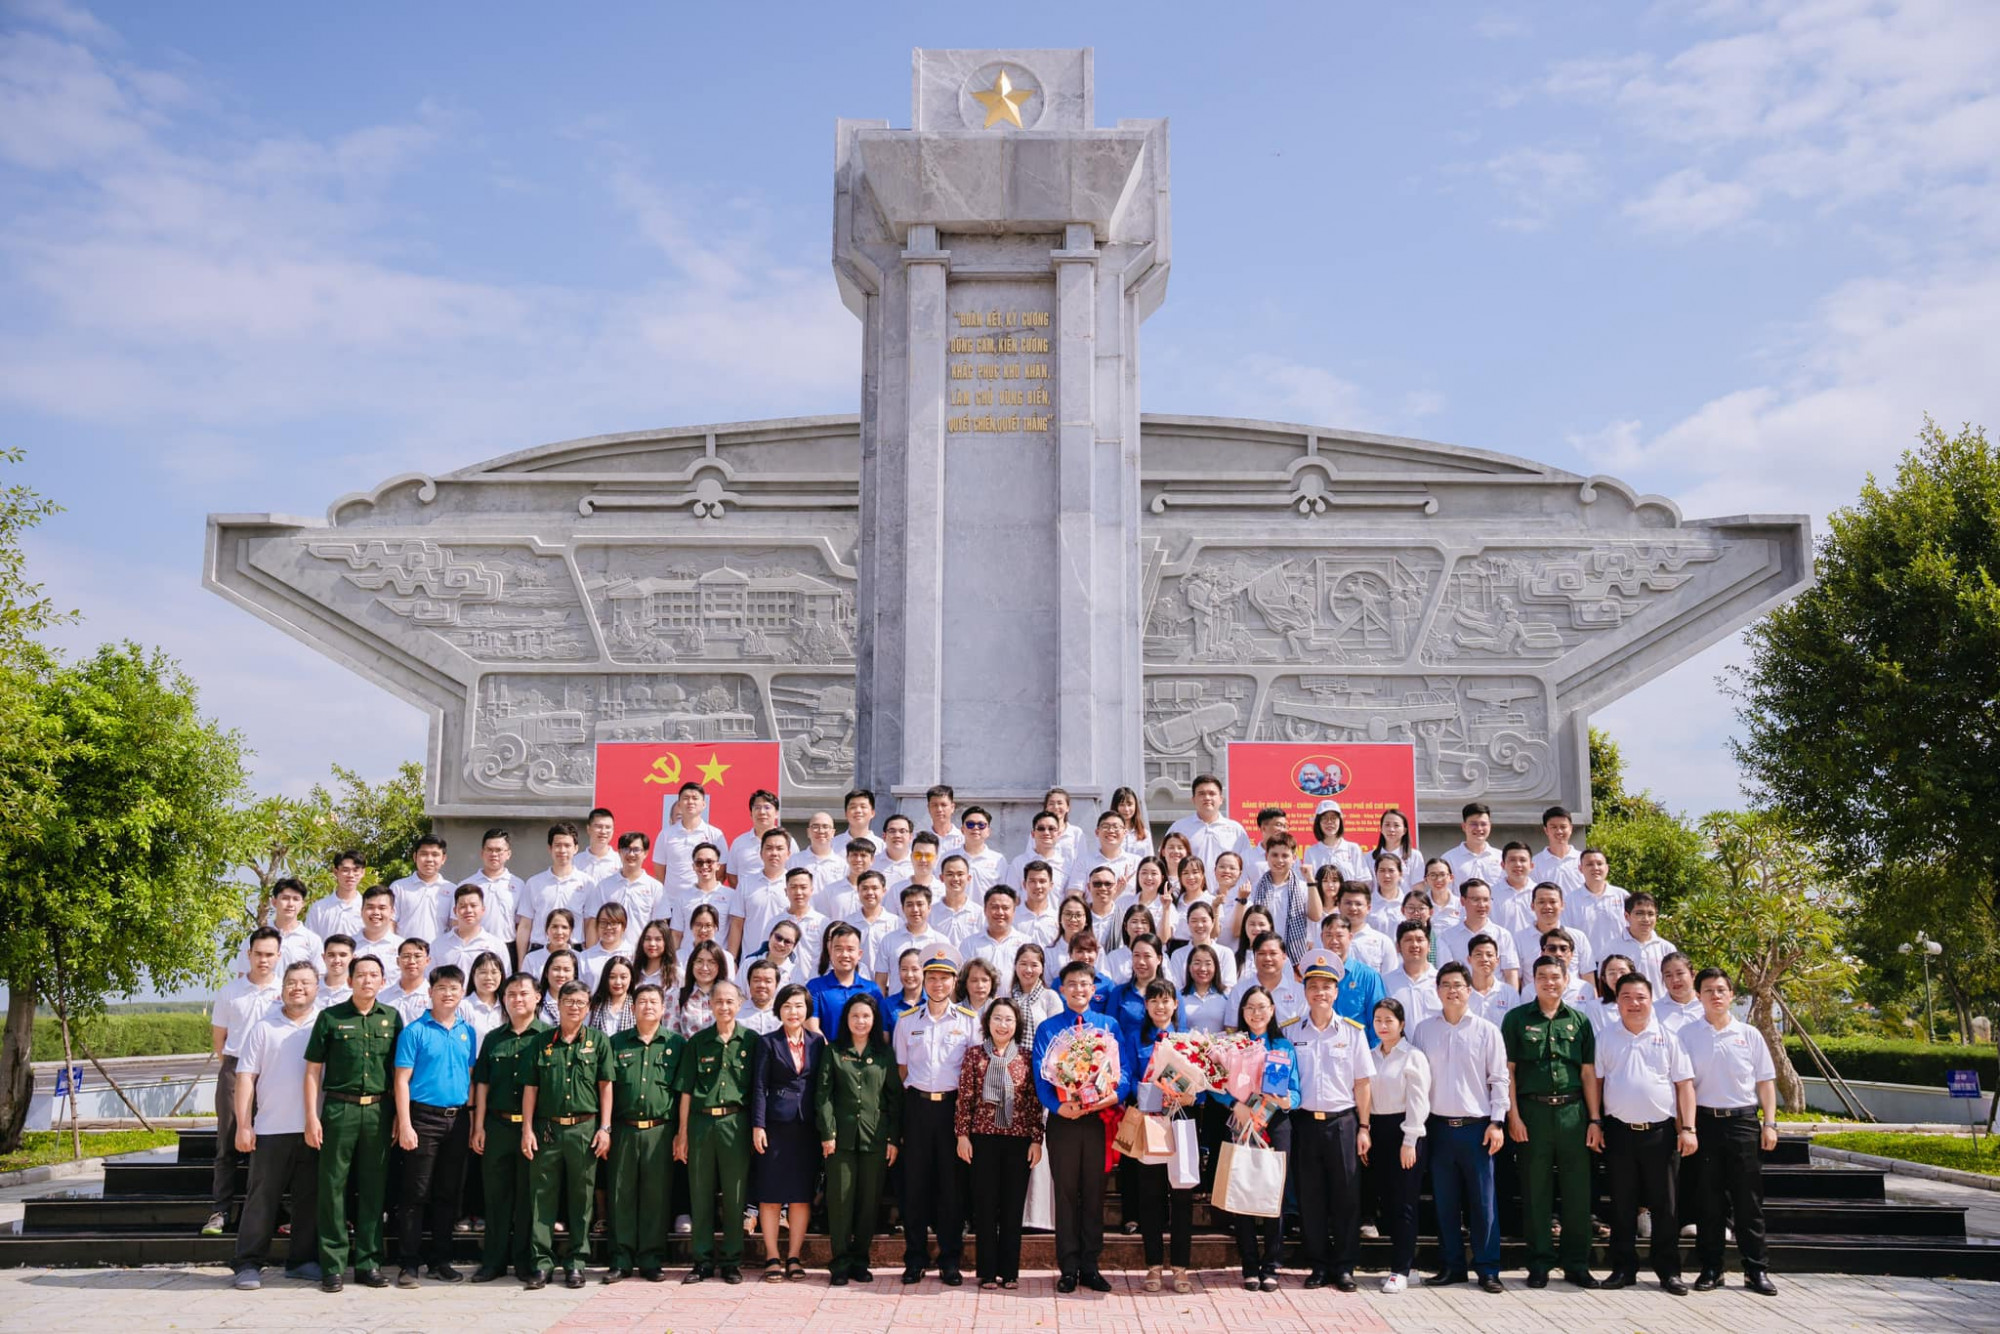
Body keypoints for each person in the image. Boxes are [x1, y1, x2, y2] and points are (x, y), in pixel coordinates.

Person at [1502, 953, 1603, 1290]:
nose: (1549, 982)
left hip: (1573, 1113)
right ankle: (1540, 1263)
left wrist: (1594, 1119)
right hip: (1533, 1113)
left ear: (1566, 980)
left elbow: (1588, 1074)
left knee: (1578, 1192)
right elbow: (1509, 1073)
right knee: (1536, 1191)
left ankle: (1577, 1264)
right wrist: (1513, 1116)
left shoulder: (1580, 1021)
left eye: (1555, 977)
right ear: (1532, 980)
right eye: (1542, 976)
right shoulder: (1516, 1019)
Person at [303, 953, 402, 1292]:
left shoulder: (392, 1018)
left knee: (374, 1188)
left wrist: (397, 1118)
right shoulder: (330, 1018)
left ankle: (368, 1262)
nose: (366, 980)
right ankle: (333, 1264)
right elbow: (313, 1071)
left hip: (378, 1110)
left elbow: (397, 1073)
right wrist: (311, 1117)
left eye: (373, 975)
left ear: (383, 981)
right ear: (349, 980)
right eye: (360, 975)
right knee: (332, 1188)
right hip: (338, 1110)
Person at [1594, 971, 1696, 1295]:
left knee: (1664, 1206)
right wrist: (1595, 1122)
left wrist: (1689, 1128)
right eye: (1626, 997)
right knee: (1622, 1204)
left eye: (1640, 997)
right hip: (1619, 1132)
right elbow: (1596, 1082)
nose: (1634, 1003)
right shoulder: (1606, 1037)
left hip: (1660, 1133)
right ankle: (1623, 1269)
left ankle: (1668, 1271)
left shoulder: (1668, 1037)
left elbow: (1684, 1086)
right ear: (1617, 1001)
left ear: (1651, 1000)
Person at [1032, 960, 1129, 1293]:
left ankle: (1091, 1265)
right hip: (1065, 1122)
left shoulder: (1108, 1025)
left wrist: (1107, 1099)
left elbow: (1124, 1074)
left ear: (1094, 989)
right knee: (1066, 1194)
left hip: (1099, 1121)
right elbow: (1041, 1077)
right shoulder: (1049, 1029)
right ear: (1062, 989)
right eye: (1071, 984)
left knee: (1094, 1194)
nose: (1078, 990)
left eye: (1084, 984)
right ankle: (1068, 1267)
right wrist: (1060, 1107)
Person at [1412, 960, 1509, 1294]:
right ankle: (1452, 1266)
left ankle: (1487, 1268)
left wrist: (1498, 1122)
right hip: (1438, 1127)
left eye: (1458, 985)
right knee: (1445, 1201)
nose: (1452, 990)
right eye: (1446, 985)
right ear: (1437, 990)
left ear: (1469, 990)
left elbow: (1499, 1079)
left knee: (1483, 1203)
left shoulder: (1486, 1030)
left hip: (1477, 1128)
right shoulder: (1424, 1030)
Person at [1682, 967, 1780, 1296]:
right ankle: (1712, 1268)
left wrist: (1769, 1123)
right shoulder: (1687, 1034)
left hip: (1742, 1123)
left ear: (1731, 995)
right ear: (1699, 996)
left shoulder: (1749, 1035)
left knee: (1748, 1201)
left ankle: (1756, 1270)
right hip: (1705, 1123)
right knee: (1708, 1202)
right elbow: (1683, 1086)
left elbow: (1765, 1082)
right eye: (1708, 990)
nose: (1715, 995)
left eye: (1721, 990)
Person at [229, 959, 321, 1289]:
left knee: (308, 1200)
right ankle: (248, 1262)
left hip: (313, 1129)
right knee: (261, 1199)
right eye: (292, 982)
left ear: (316, 988)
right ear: (282, 989)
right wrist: (244, 1124)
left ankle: (302, 1260)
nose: (298, 987)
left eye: (305, 983)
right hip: (270, 1129)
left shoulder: (323, 1026)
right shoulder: (263, 1028)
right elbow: (245, 1078)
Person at [1287, 950, 1375, 1291]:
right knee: (1311, 1198)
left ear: (1336, 992)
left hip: (1343, 1123)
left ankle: (1345, 1266)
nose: (1320, 992)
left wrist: (1364, 1127)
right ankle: (1318, 1265)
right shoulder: (1293, 1032)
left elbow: (1362, 1083)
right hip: (1305, 1124)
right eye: (1314, 986)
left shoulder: (1352, 1032)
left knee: (1346, 1197)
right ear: (1305, 991)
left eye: (1327, 986)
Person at [892, 951, 979, 1285]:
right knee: (915, 1186)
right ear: (923, 981)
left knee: (951, 1188)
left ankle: (949, 1258)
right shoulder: (907, 1021)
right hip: (917, 1108)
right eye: (932, 978)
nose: (938, 983)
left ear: (954, 982)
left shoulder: (969, 1021)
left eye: (944, 978)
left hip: (953, 1110)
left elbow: (971, 1072)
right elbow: (902, 1068)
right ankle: (914, 1258)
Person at [390, 962, 478, 1287]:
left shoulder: (467, 1032)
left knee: (447, 1194)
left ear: (462, 992)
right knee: (415, 1193)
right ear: (430, 992)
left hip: (456, 1120)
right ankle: (408, 1263)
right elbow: (401, 1080)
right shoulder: (414, 1031)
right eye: (441, 988)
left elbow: (469, 1077)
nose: (448, 993)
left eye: (454, 988)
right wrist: (405, 1123)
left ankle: (440, 1260)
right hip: (422, 1118)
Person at [521, 980, 611, 1289]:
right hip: (547, 1128)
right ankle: (541, 1263)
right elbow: (530, 1089)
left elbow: (606, 1087)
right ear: (557, 1005)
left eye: (581, 1002)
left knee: (581, 1197)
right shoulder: (542, 1041)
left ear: (588, 1008)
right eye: (568, 1001)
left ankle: (576, 1262)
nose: (574, 1007)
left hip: (584, 1128)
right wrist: (526, 1129)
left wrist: (605, 1127)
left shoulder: (598, 1041)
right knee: (541, 1197)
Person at [1214, 984, 1300, 1291]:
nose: (1256, 1013)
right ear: (1242, 1012)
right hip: (1241, 1121)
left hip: (1275, 1123)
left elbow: (1296, 1090)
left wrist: (1286, 1099)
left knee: (1273, 1193)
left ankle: (1271, 1264)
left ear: (1273, 1010)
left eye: (1262, 1007)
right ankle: (1249, 1264)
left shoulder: (1283, 1046)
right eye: (1250, 1008)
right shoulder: (1233, 1045)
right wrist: (1233, 1103)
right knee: (1243, 1190)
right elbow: (1216, 1084)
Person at [955, 997, 1043, 1290]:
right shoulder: (974, 1056)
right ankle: (988, 1272)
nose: (1002, 1025)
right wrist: (962, 1135)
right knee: (985, 1206)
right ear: (987, 1022)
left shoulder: (1027, 1058)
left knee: (1012, 1207)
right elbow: (965, 1098)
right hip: (982, 1139)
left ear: (1017, 1025)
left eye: (1008, 1020)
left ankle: (1010, 1272)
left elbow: (1033, 1102)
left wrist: (1036, 1139)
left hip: (1018, 1142)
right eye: (997, 1018)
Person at [674, 979, 757, 1284]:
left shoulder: (751, 1041)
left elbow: (757, 1090)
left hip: (736, 1124)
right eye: (718, 1001)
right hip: (701, 1124)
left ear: (739, 1004)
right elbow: (685, 1091)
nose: (723, 1006)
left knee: (735, 1196)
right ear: (710, 1005)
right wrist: (682, 1133)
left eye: (729, 1001)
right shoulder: (698, 1042)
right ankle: (703, 1260)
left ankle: (732, 1261)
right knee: (701, 1193)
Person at [601, 981, 682, 1283]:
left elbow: (681, 1091)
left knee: (655, 1197)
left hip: (660, 1131)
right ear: (632, 1008)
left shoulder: (676, 1044)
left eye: (653, 1002)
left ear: (663, 1008)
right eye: (642, 1001)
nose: (648, 1006)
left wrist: (680, 1134)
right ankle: (621, 1259)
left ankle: (650, 1258)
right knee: (621, 1195)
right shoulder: (615, 1043)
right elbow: (605, 1087)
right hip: (624, 1129)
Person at [818, 993, 901, 1285]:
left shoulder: (884, 1053)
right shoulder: (833, 1051)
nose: (860, 1021)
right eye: (855, 1016)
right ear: (847, 1019)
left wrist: (893, 1138)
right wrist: (827, 1132)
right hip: (840, 1140)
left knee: (868, 1203)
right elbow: (823, 1096)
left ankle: (860, 1261)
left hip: (875, 1139)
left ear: (874, 1020)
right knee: (840, 1201)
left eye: (866, 1016)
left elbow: (894, 1099)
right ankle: (839, 1263)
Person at [469, 972, 547, 1283]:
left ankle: (526, 1261)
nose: (517, 999)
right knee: (496, 1196)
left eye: (523, 993)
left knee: (530, 1196)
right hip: (498, 1126)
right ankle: (494, 1261)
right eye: (511, 994)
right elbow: (483, 1085)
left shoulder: (547, 1036)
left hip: (534, 1128)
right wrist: (478, 1126)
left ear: (537, 997)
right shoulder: (493, 1038)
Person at [206, 927, 281, 1237]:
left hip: (274, 1073)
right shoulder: (229, 992)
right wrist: (235, 1071)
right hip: (235, 1071)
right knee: (228, 1141)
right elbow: (219, 1041)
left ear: (279, 956)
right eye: (258, 954)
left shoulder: (285, 990)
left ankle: (264, 1211)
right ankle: (220, 1210)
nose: (263, 960)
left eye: (269, 955)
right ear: (248, 955)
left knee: (266, 1145)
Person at [1125, 980, 1195, 1293]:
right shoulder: (1135, 1039)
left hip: (1182, 1121)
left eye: (1166, 1001)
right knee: (1150, 1197)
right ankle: (1153, 1266)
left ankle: (1181, 1268)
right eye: (1154, 1001)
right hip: (1150, 1123)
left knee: (1181, 1196)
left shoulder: (1187, 1041)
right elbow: (1126, 1079)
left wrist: (1191, 1096)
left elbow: (1201, 1084)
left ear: (1175, 1005)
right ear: (1146, 1006)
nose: (1160, 1006)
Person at [750, 983, 824, 1281]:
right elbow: (758, 1086)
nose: (794, 1012)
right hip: (775, 1127)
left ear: (807, 1010)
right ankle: (771, 1256)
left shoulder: (818, 1043)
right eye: (788, 1006)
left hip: (807, 1128)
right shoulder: (767, 1042)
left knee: (800, 1196)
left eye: (799, 1006)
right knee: (770, 1195)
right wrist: (758, 1125)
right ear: (779, 1010)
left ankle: (793, 1256)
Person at [1365, 998, 1429, 1294]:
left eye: (1389, 1020)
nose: (1383, 1025)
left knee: (1404, 1203)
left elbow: (1418, 1100)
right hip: (1377, 1130)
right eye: (1378, 1019)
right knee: (1387, 1202)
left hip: (1404, 1131)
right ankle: (1407, 1266)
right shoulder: (1370, 1055)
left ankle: (1400, 1270)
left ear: (1402, 1025)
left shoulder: (1413, 1056)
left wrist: (1410, 1140)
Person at [516, 822, 594, 963]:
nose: (562, 850)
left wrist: (589, 959)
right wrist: (521, 962)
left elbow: (590, 925)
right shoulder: (534, 883)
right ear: (550, 848)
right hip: (539, 953)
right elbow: (525, 925)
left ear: (576, 848)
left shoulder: (587, 883)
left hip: (574, 953)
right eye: (557, 845)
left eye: (567, 845)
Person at [1165, 773, 1254, 881]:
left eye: (1212, 793)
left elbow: (1246, 866)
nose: (1207, 798)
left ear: (1221, 799)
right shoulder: (1179, 827)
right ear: (1193, 799)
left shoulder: (1236, 830)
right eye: (1201, 794)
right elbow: (1166, 862)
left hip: (1228, 894)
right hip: (1190, 894)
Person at [582, 831, 664, 947]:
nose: (631, 854)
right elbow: (593, 922)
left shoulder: (655, 887)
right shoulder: (604, 886)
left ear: (645, 853)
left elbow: (660, 927)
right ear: (619, 852)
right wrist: (591, 954)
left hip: (641, 956)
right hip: (609, 956)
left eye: (636, 850)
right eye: (626, 849)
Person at [234, 879, 325, 976]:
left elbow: (319, 977)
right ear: (274, 902)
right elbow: (243, 975)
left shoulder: (312, 940)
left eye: (296, 899)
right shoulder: (256, 938)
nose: (290, 904)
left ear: (302, 904)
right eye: (285, 898)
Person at [806, 923, 882, 1037]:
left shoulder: (872, 989)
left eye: (850, 949)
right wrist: (832, 1053)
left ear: (859, 954)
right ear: (830, 952)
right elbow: (811, 1027)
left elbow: (879, 1028)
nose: (844, 954)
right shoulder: (815, 987)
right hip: (826, 1053)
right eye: (838, 949)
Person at [658, 781, 727, 900]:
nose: (690, 802)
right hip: (672, 903)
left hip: (705, 902)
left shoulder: (715, 834)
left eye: (695, 798)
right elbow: (660, 872)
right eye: (686, 798)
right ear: (679, 804)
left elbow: (721, 871)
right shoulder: (666, 834)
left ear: (703, 804)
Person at [736, 827, 797, 951]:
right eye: (769, 848)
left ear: (788, 854)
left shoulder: (795, 885)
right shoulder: (746, 883)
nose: (774, 853)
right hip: (752, 959)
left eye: (780, 848)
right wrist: (732, 959)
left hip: (784, 961)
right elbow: (737, 924)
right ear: (761, 853)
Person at [1227, 931, 1307, 1025]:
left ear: (1284, 957)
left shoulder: (1300, 992)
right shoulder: (1239, 991)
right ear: (1254, 956)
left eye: (1273, 953)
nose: (1267, 958)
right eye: (1261, 953)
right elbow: (1232, 1029)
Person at [430, 883, 510, 973]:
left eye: (473, 905)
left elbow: (505, 980)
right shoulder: (438, 945)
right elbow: (429, 979)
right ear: (455, 911)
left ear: (483, 910)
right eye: (463, 906)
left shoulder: (496, 945)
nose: (468, 910)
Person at [392, 834, 455, 943]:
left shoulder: (452, 890)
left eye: (435, 855)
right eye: (424, 854)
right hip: (406, 954)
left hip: (438, 954)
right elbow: (390, 922)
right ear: (415, 857)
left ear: (443, 859)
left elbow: (454, 926)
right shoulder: (398, 887)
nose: (429, 859)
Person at [727, 788, 794, 884]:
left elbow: (794, 872)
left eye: (767, 807)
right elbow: (732, 875)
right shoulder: (739, 842)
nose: (762, 812)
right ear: (751, 813)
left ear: (776, 813)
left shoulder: (788, 841)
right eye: (757, 807)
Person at [1613, 892, 1677, 992]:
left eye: (1651, 914)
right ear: (1626, 916)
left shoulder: (1667, 948)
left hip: (1660, 1007)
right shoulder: (1612, 948)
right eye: (1639, 913)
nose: (1646, 919)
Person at [306, 851, 369, 941]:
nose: (350, 875)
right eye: (345, 870)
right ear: (335, 872)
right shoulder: (319, 908)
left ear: (362, 873)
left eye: (355, 870)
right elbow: (310, 943)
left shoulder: (368, 908)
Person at [1441, 802, 1503, 892]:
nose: (1479, 828)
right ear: (1464, 826)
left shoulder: (1501, 857)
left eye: (1483, 824)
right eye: (1473, 824)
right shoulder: (1449, 859)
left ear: (1490, 826)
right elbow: (1446, 895)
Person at [1304, 799, 1369, 882]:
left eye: (1333, 818)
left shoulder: (1353, 848)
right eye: (1324, 818)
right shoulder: (1311, 852)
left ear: (1340, 821)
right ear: (1318, 823)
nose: (1329, 822)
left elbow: (1364, 880)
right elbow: (1308, 884)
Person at [1176, 942, 1231, 1032]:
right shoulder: (1179, 997)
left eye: (1208, 964)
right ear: (1189, 967)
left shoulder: (1227, 996)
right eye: (1197, 963)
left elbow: (1231, 1030)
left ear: (1216, 967)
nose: (1202, 968)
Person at [1531, 805, 1584, 895]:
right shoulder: (1535, 863)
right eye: (1554, 827)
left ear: (1570, 828)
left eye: (1563, 827)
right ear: (1546, 830)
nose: (1559, 831)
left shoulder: (1583, 859)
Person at [378, 938, 434, 1022]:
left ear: (427, 961)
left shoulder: (434, 997)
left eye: (417, 956)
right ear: (398, 961)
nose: (411, 961)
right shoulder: (382, 997)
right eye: (406, 956)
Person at [588, 954, 638, 1036]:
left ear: (631, 979)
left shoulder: (637, 1006)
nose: (618, 982)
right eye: (612, 977)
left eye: (623, 977)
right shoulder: (594, 1005)